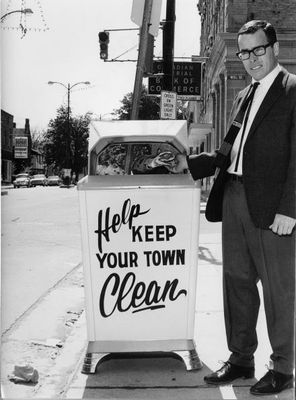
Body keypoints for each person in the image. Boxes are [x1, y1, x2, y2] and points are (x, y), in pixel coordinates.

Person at [166, 20, 296, 396]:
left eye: (258, 50)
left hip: (274, 208)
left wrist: (290, 208)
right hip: (235, 198)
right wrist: (188, 165)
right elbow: (229, 152)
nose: (252, 59)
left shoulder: (291, 90)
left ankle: (283, 367)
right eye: (245, 52)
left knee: (278, 290)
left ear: (274, 48)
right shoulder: (243, 96)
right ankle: (241, 358)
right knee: (236, 283)